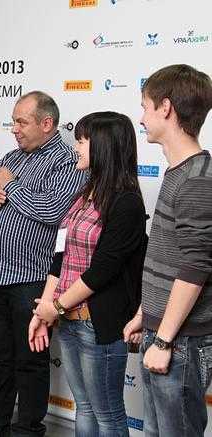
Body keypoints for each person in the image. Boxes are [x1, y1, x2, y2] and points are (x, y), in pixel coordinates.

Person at [0, 91, 86, 437]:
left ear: (47, 123)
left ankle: (26, 430)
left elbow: (52, 210)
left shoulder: (67, 161)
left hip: (32, 278)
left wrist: (10, 188)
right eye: (14, 121)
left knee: (30, 360)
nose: (14, 129)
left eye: (21, 122)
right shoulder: (11, 156)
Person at [29, 112, 147, 436]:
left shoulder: (126, 203)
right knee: (83, 407)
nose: (76, 147)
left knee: (107, 415)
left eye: (82, 141)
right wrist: (45, 310)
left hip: (99, 325)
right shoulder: (84, 195)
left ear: (104, 146)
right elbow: (60, 255)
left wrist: (55, 307)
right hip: (69, 321)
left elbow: (101, 272)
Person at [123, 64, 212, 437]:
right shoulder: (179, 172)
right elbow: (170, 257)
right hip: (165, 334)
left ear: (166, 107)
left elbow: (195, 267)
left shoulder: (196, 179)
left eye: (145, 107)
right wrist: (145, 314)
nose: (141, 118)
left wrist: (163, 339)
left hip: (181, 342)